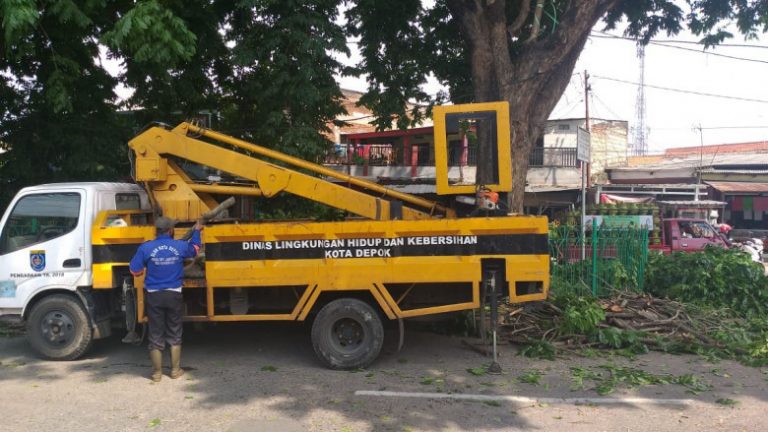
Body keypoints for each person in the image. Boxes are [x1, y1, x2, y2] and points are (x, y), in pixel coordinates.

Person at [129, 216, 202, 382]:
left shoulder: (146, 248)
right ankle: (175, 371)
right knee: (174, 331)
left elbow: (135, 270)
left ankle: (156, 374)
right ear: (170, 230)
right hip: (174, 295)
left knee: (155, 333)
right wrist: (197, 231)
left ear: (156, 231)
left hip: (154, 296)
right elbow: (196, 249)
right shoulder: (180, 246)